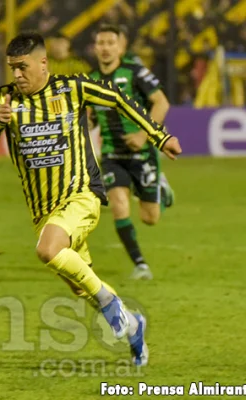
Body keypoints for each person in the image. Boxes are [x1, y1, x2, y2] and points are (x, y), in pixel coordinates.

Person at [0, 32, 182, 366]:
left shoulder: (72, 88)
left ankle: (114, 309)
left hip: (80, 196)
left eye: (23, 67)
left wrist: (159, 136)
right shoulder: (4, 99)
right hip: (43, 211)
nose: (17, 75)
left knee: (47, 250)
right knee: (79, 285)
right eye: (12, 68)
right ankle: (132, 326)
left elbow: (118, 98)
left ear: (43, 63)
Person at [90, 24, 174, 280]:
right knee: (118, 204)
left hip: (142, 153)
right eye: (101, 43)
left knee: (150, 218)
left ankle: (159, 186)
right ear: (95, 48)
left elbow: (161, 102)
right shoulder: (91, 80)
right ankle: (140, 265)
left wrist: (142, 135)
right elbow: (92, 118)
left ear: (120, 46)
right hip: (113, 155)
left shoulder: (134, 72)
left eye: (110, 43)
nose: (105, 48)